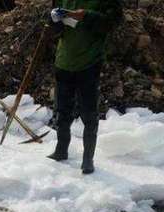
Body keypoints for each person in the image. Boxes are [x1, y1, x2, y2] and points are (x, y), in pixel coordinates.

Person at [47, 0, 123, 174]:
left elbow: (112, 22)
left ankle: (88, 159)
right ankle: (61, 150)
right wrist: (53, 19)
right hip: (64, 60)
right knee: (62, 110)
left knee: (88, 114)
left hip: (89, 63)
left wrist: (85, 16)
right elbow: (54, 28)